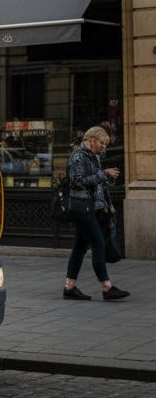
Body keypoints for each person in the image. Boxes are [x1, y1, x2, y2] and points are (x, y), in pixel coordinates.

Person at [63, 126, 128, 301]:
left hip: (91, 207)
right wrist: (102, 175)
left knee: (79, 248)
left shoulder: (94, 157)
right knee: (99, 244)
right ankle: (107, 288)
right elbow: (77, 182)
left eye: (106, 145)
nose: (104, 147)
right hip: (81, 208)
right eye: (102, 143)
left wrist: (107, 180)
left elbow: (96, 183)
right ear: (91, 139)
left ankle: (69, 287)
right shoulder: (78, 157)